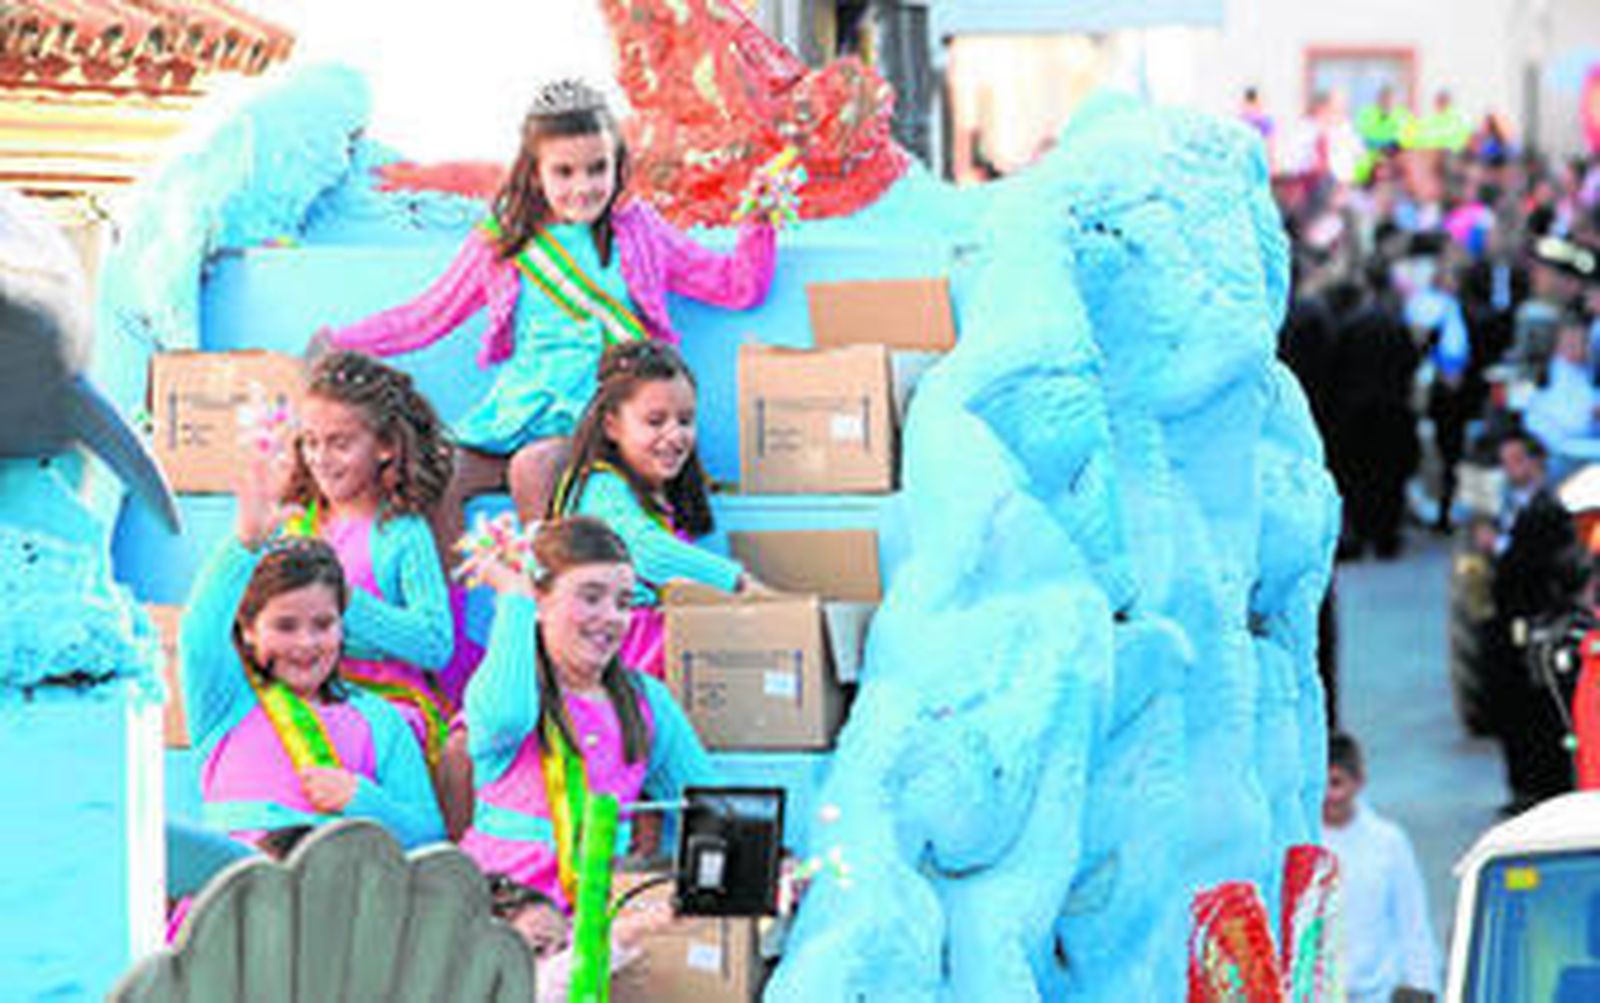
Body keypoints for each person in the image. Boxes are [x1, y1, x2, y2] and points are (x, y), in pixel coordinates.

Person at [320, 77, 777, 531]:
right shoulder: (505, 239)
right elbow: (429, 315)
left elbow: (736, 285)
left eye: (597, 168)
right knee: (438, 473)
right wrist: (339, 342)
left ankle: (550, 603)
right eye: (564, 172)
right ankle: (442, 607)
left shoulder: (639, 230)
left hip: (608, 417)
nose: (583, 187)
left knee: (534, 469)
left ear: (616, 165)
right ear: (535, 173)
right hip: (522, 411)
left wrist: (759, 222)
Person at [456, 516, 716, 912]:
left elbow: (707, 806)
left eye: (623, 602)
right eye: (590, 597)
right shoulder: (510, 689)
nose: (611, 616)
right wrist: (514, 597)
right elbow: (505, 718)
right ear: (541, 601)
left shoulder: (646, 699)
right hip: (502, 916)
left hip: (600, 917)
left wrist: (774, 864)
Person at [179, 483, 446, 848]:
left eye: (323, 625)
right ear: (247, 631)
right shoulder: (225, 702)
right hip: (244, 893)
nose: (306, 643)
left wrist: (362, 801)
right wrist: (243, 545)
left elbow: (429, 837)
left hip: (337, 891)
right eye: (285, 626)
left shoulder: (381, 721)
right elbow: (198, 638)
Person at [274, 350, 460, 763]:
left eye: (339, 443)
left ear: (386, 447)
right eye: (310, 442)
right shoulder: (294, 526)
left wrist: (341, 598)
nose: (320, 458)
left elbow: (435, 643)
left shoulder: (402, 533)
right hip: (306, 694)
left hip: (386, 702)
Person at [551, 341, 767, 679]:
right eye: (655, 421)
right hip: (617, 659)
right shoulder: (599, 488)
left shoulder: (657, 493)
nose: (675, 435)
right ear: (612, 426)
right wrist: (737, 582)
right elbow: (643, 550)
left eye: (685, 420)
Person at [1321, 732, 1441, 1003]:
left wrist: (1423, 985)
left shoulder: (1388, 841)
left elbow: (1413, 921)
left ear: (1358, 782)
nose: (1329, 796)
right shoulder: (1305, 843)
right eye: (1320, 786)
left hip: (1382, 993)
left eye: (1336, 783)